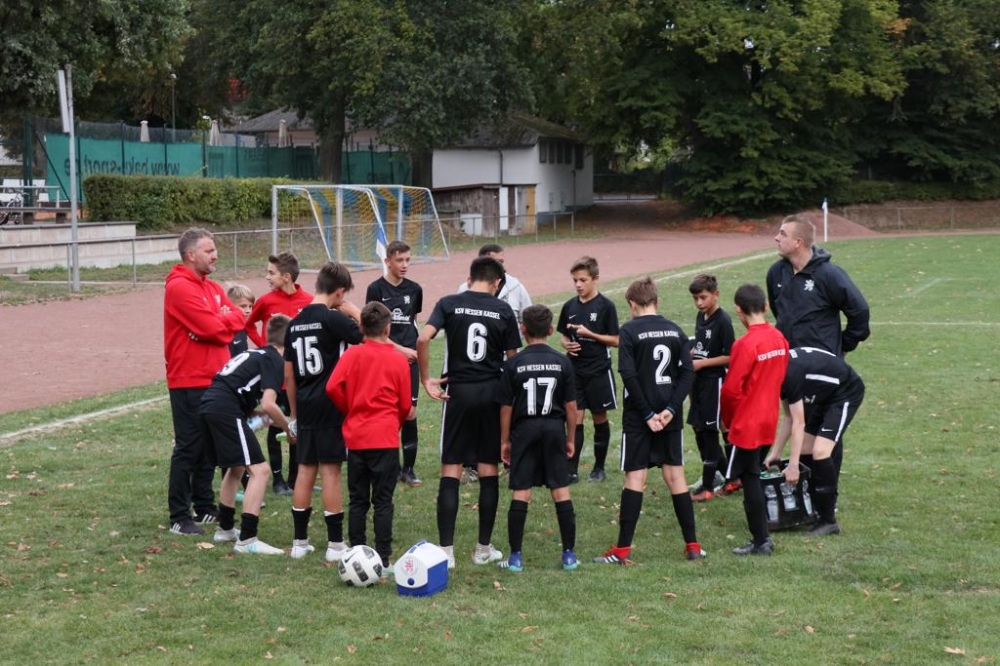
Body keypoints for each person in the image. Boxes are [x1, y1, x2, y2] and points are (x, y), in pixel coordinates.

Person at [418, 256, 521, 568]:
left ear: (470, 277)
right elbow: (513, 359)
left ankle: (446, 552)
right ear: (497, 283)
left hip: (458, 392)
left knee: (452, 466)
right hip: (491, 393)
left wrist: (426, 378)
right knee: (488, 467)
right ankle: (482, 549)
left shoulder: (449, 303)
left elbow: (423, 337)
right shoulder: (503, 309)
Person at [593, 278, 703, 564]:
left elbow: (628, 374)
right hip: (669, 414)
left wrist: (646, 413)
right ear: (657, 301)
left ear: (632, 304)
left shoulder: (629, 331)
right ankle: (692, 545)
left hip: (639, 416)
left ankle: (622, 551)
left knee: (635, 478)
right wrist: (671, 409)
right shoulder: (676, 330)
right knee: (675, 477)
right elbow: (688, 373)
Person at [766, 215, 870, 477]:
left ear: (798, 242)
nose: (776, 238)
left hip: (823, 368)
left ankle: (826, 488)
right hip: (792, 367)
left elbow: (859, 311)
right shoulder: (776, 273)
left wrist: (843, 345)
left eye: (782, 234)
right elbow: (780, 313)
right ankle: (805, 483)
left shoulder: (829, 274)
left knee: (825, 428)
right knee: (797, 421)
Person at [163, 228, 246, 535]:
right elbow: (212, 328)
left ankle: (204, 506)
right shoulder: (179, 288)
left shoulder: (211, 287)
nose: (215, 255)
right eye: (209, 251)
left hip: (216, 377)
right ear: (190, 255)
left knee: (209, 447)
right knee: (189, 447)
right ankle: (179, 515)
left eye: (214, 250)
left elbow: (238, 319)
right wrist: (218, 323)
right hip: (189, 379)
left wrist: (218, 322)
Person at [284, 262, 363, 562]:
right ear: (339, 292)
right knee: (330, 470)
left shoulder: (295, 322)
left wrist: (294, 415)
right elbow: (369, 335)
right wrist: (354, 312)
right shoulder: (333, 318)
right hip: (330, 402)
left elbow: (289, 374)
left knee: (305, 469)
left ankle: (299, 542)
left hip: (305, 403)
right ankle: (335, 544)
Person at [328, 302, 412, 571]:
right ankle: (383, 558)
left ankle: (357, 553)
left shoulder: (352, 354)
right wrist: (394, 422)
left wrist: (350, 409)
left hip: (357, 436)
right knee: (383, 500)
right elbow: (405, 405)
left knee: (358, 499)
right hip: (384, 436)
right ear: (388, 329)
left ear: (361, 327)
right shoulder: (398, 360)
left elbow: (332, 387)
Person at [496, 305, 580, 572]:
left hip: (525, 429)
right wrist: (570, 437)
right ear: (552, 330)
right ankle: (568, 555)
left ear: (523, 329)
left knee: (522, 490)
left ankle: (515, 557)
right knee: (561, 490)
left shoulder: (514, 363)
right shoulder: (562, 362)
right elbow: (571, 406)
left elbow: (506, 407)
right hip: (554, 428)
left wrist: (505, 440)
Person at [202, 315, 296, 555]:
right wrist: (289, 427)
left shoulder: (255, 354)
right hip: (225, 409)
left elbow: (239, 390)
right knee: (260, 471)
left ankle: (225, 529)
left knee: (236, 468)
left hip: (210, 405)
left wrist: (256, 415)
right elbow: (269, 404)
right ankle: (247, 539)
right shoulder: (274, 359)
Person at [766, 347, 865, 537]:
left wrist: (793, 465)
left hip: (845, 391)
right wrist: (775, 453)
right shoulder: (779, 372)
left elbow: (799, 422)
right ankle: (812, 509)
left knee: (820, 451)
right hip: (825, 395)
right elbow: (788, 417)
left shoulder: (789, 374)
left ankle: (828, 521)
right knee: (805, 448)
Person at [720, 284, 789, 556]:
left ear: (739, 310)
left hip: (747, 424)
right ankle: (762, 537)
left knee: (750, 480)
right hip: (769, 420)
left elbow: (730, 390)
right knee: (754, 474)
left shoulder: (745, 344)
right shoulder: (780, 338)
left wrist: (728, 420)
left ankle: (761, 540)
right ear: (766, 306)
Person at [457, 243, 532, 486]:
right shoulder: (464, 290)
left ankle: (511, 463)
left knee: (510, 413)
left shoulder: (516, 287)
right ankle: (471, 466)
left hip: (507, 365)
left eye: (503, 261)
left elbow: (529, 319)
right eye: (496, 262)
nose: (502, 266)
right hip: (477, 369)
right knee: (476, 416)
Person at [245, 251, 313, 497]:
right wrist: (264, 347)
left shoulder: (309, 301)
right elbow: (248, 324)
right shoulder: (265, 301)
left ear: (286, 277)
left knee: (298, 425)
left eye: (271, 273)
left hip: (299, 377)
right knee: (275, 425)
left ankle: (295, 478)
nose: (267, 277)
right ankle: (278, 480)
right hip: (275, 377)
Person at [556, 256, 620, 483]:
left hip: (599, 370)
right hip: (574, 371)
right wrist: (566, 344)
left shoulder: (606, 306)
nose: (578, 285)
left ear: (595, 279)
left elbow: (616, 340)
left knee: (599, 416)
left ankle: (599, 467)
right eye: (575, 280)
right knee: (575, 418)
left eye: (583, 280)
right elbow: (564, 335)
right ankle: (571, 470)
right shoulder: (569, 306)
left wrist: (590, 334)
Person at [366, 240, 424, 488]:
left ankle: (408, 469)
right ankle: (388, 466)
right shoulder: (375, 289)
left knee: (409, 412)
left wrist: (412, 351)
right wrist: (400, 349)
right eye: (399, 260)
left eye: (408, 260)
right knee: (386, 413)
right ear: (387, 261)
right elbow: (372, 330)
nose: (404, 265)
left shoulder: (415, 289)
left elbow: (413, 321)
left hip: (410, 361)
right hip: (385, 360)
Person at [685, 275, 736, 501]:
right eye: (695, 298)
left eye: (703, 297)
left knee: (709, 429)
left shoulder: (723, 320)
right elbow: (703, 345)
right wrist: (693, 352)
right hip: (699, 380)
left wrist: (703, 363)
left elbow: (730, 356)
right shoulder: (701, 316)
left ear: (716, 295)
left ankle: (707, 487)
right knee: (698, 426)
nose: (699, 303)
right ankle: (730, 476)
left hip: (714, 380)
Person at [458, 243, 532, 322]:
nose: (499, 265)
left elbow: (529, 321)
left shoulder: (516, 287)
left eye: (501, 261)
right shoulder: (465, 289)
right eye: (494, 262)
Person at [226, 284, 255, 357]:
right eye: (243, 306)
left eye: (250, 306)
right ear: (230, 305)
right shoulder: (224, 328)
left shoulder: (243, 326)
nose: (248, 311)